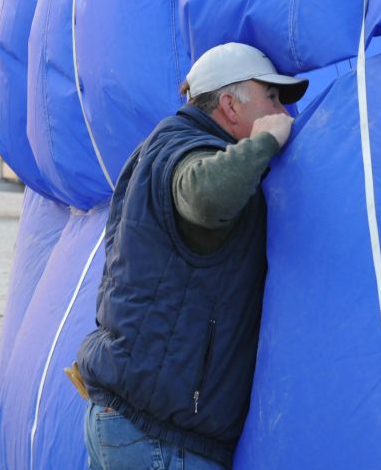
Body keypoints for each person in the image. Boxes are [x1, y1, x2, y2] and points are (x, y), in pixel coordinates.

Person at [72, 42, 308, 469]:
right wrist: (263, 144)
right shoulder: (188, 152)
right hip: (158, 437)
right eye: (271, 98)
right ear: (230, 106)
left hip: (131, 420)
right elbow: (205, 197)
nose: (284, 113)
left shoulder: (161, 146)